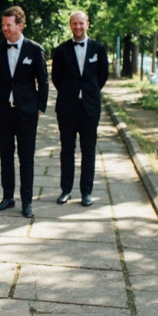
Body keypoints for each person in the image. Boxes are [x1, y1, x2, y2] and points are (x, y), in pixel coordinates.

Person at [0, 6, 49, 218]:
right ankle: (7, 197)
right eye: (3, 25)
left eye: (8, 25)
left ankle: (27, 201)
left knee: (26, 158)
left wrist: (40, 107)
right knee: (5, 156)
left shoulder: (34, 49)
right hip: (3, 112)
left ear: (19, 25)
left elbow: (43, 81)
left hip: (27, 112)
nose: (4, 28)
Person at [51, 10, 109, 207]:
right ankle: (66, 190)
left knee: (88, 150)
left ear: (87, 24)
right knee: (67, 150)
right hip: (67, 108)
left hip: (90, 108)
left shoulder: (98, 49)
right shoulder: (61, 50)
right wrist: (71, 92)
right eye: (74, 23)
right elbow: (56, 78)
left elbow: (102, 76)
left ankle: (86, 192)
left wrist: (88, 92)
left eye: (81, 23)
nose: (78, 27)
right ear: (70, 26)